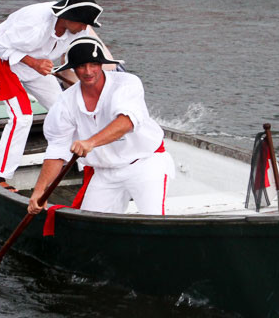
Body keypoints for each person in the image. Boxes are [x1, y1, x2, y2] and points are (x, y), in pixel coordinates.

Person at [27, 37, 175, 216]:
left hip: (144, 164)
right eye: (81, 66)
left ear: (101, 64)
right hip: (104, 172)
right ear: (73, 69)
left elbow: (126, 122)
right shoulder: (65, 102)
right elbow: (58, 149)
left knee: (154, 219)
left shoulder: (127, 83)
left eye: (93, 65)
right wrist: (40, 190)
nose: (88, 71)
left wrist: (90, 142)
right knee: (88, 224)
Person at [0, 0, 101, 187]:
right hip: (7, 63)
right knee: (22, 117)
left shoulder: (79, 30)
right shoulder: (34, 22)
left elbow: (77, 59)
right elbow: (1, 47)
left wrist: (86, 86)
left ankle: (85, 167)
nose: (85, 28)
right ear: (67, 18)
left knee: (68, 112)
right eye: (83, 23)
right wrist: (34, 63)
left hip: (40, 67)